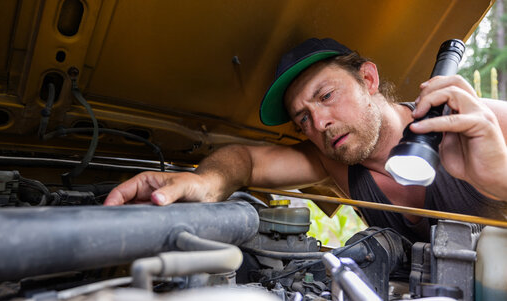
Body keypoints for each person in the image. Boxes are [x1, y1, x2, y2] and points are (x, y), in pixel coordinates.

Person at [104, 38, 507, 242]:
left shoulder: (485, 123)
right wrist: (202, 182)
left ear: (368, 79)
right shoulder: (336, 160)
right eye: (303, 119)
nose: (321, 124)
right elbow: (246, 159)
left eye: (326, 96)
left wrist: (498, 179)